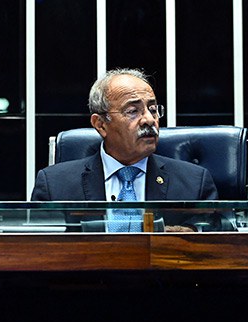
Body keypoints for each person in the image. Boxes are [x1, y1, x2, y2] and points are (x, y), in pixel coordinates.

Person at [31, 68, 230, 232]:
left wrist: (190, 235)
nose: (149, 120)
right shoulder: (54, 185)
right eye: (132, 111)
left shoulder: (194, 183)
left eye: (153, 109)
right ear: (100, 124)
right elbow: (37, 256)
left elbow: (220, 240)